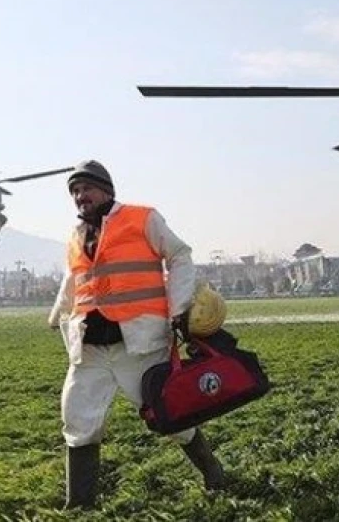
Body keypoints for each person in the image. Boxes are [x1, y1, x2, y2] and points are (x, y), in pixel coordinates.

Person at [46, 160, 225, 509]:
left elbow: (180, 256)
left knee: (172, 416)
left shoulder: (142, 218)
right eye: (75, 191)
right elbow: (73, 279)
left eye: (87, 188)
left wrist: (178, 310)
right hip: (90, 348)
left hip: (139, 344)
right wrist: (56, 316)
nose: (81, 196)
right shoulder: (76, 235)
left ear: (107, 190)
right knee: (77, 418)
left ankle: (213, 472)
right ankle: (80, 505)